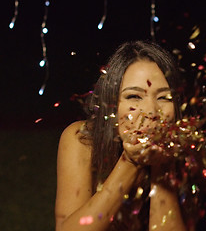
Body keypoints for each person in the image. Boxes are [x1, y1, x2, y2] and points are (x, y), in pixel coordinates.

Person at [55, 41, 188, 231]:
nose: (151, 111)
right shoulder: (82, 139)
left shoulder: (187, 149)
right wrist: (130, 162)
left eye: (164, 98)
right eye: (134, 97)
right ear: (112, 104)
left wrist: (161, 167)